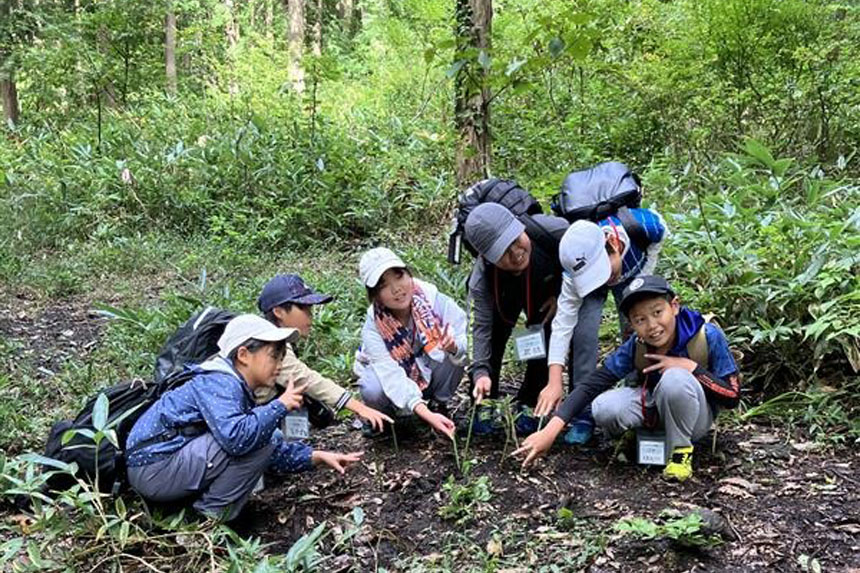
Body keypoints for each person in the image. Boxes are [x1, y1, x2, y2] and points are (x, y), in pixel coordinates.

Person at [126, 314, 363, 521]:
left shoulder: (231, 384)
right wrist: (279, 405)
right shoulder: (220, 382)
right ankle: (209, 518)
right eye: (274, 356)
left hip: (161, 466)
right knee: (259, 435)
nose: (279, 365)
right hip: (154, 468)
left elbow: (265, 450)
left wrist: (315, 456)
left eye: (282, 357)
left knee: (264, 435)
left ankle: (202, 508)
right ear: (243, 355)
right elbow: (238, 439)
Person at [514, 276, 740, 482]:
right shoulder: (637, 345)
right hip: (654, 407)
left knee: (675, 379)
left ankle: (679, 454)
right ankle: (640, 438)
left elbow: (732, 396)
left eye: (657, 312)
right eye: (640, 319)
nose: (652, 326)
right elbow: (595, 383)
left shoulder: (705, 334)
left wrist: (690, 367)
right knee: (603, 406)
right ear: (631, 324)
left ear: (674, 306)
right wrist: (550, 430)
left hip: (694, 418)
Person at [536, 208, 667, 445]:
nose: (606, 279)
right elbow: (563, 324)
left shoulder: (643, 226)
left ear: (613, 243)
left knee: (637, 332)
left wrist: (644, 276)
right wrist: (554, 379)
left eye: (605, 272)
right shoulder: (574, 269)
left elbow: (661, 230)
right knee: (583, 335)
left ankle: (637, 397)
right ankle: (582, 413)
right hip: (592, 277)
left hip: (632, 271)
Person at [463, 202, 568, 434]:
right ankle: (483, 404)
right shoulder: (481, 280)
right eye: (503, 252)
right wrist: (480, 371)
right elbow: (479, 329)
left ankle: (531, 403)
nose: (515, 253)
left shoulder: (553, 231)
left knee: (544, 332)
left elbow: (583, 253)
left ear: (520, 226)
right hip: (503, 296)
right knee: (495, 337)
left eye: (515, 240)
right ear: (487, 258)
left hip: (545, 289)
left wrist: (563, 294)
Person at [354, 247, 467, 439]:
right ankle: (388, 417)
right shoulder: (374, 325)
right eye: (383, 285)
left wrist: (454, 347)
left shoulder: (434, 301)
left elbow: (466, 337)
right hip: (396, 379)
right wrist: (425, 414)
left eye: (399, 276)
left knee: (452, 352)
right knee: (372, 386)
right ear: (375, 295)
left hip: (428, 371)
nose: (396, 289)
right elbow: (390, 375)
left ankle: (438, 403)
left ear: (409, 274)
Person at [256, 273, 393, 432]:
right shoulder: (269, 342)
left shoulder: (275, 339)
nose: (310, 314)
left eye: (310, 308)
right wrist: (358, 407)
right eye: (303, 308)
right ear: (279, 312)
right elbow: (305, 378)